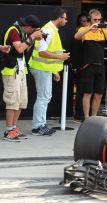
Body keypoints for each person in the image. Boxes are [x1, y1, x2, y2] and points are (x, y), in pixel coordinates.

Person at [28, 8, 70, 136]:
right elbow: (42, 52)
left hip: (43, 68)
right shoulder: (48, 30)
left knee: (45, 97)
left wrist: (54, 72)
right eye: (65, 18)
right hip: (40, 68)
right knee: (43, 97)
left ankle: (41, 125)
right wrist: (60, 57)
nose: (66, 21)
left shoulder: (50, 30)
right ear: (59, 18)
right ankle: (37, 127)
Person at [1, 15, 43, 142]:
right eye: (34, 29)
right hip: (11, 70)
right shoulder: (14, 30)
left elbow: (25, 49)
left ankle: (13, 128)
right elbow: (19, 48)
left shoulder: (23, 33)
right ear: (28, 27)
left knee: (20, 102)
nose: (34, 31)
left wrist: (33, 39)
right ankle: (8, 131)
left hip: (20, 70)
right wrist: (33, 37)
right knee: (12, 101)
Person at [74, 9, 107, 120]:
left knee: (99, 93)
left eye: (99, 20)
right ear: (90, 19)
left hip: (100, 66)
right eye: (95, 19)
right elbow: (77, 36)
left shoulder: (103, 31)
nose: (97, 22)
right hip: (88, 66)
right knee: (87, 93)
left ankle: (93, 117)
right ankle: (87, 118)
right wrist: (90, 27)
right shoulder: (84, 29)